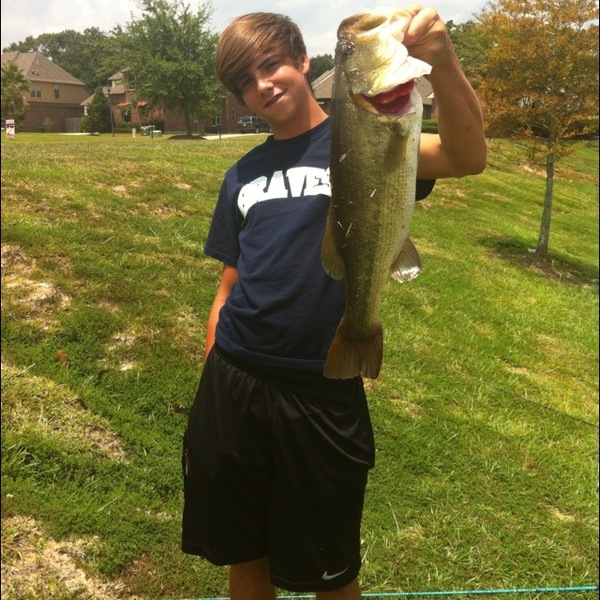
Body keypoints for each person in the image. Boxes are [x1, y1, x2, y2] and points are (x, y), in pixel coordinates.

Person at [181, 5, 486, 600]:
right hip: (234, 379)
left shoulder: (370, 127)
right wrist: (213, 363)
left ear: (303, 61)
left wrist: (443, 62)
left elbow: (467, 157)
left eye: (271, 65)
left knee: (332, 569)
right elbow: (229, 282)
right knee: (245, 555)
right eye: (245, 81)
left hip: (321, 388)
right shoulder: (241, 174)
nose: (262, 84)